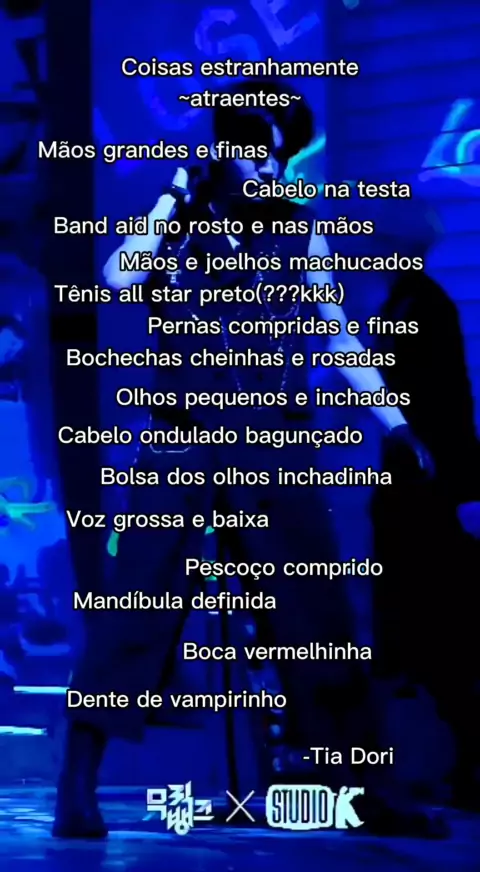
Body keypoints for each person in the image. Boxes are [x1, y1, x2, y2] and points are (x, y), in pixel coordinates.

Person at [53, 80, 438, 839]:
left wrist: (395, 423)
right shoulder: (177, 228)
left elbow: (336, 332)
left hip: (274, 442)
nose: (269, 167)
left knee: (316, 614)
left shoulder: (300, 234)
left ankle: (367, 787)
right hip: (183, 439)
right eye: (256, 151)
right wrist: (175, 192)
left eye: (278, 154)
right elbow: (118, 276)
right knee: (138, 605)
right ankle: (79, 779)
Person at [372, 268, 480, 810]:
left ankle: (465, 762)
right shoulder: (405, 303)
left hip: (428, 493)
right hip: (416, 490)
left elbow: (448, 399)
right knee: (430, 639)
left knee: (441, 636)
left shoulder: (421, 305)